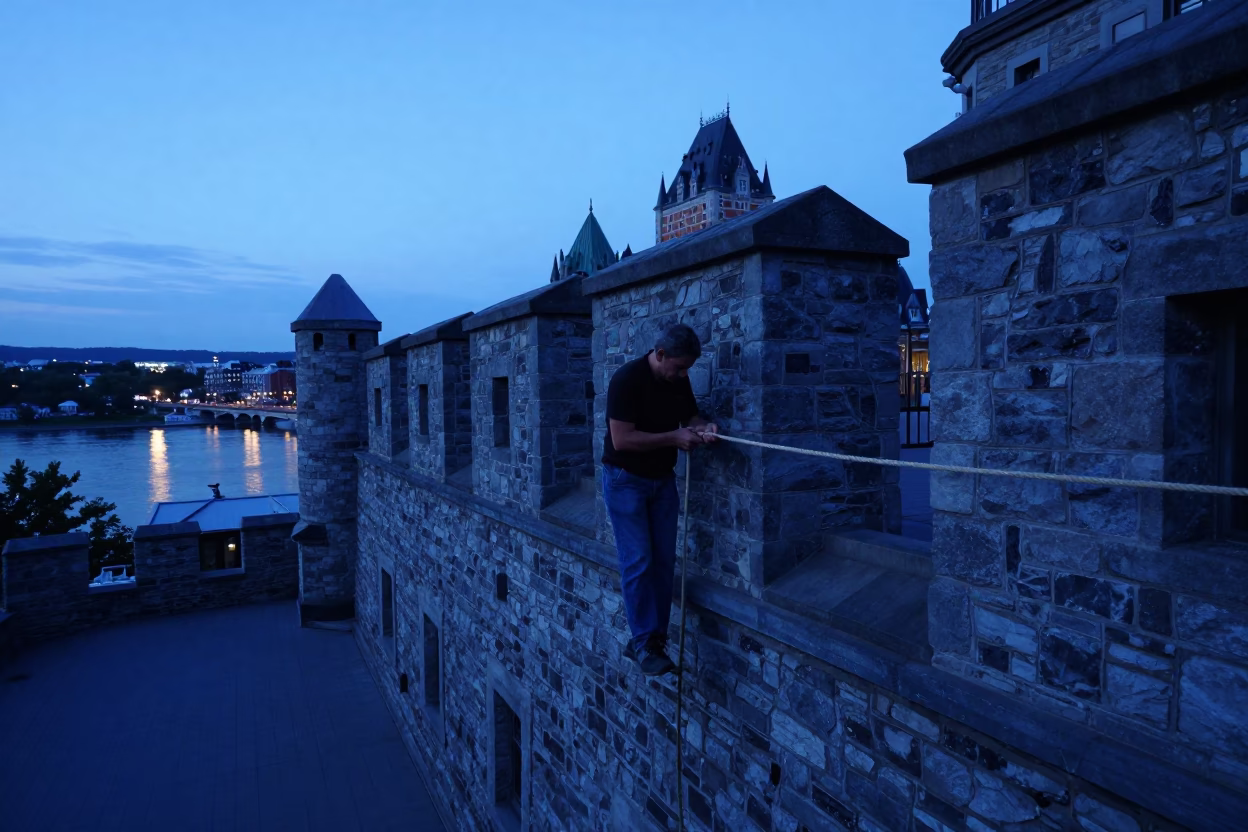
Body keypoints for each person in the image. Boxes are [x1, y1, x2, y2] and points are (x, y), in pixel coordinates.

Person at [601, 324, 717, 676]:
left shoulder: (676, 380)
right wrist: (674, 438)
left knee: (664, 562)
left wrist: (704, 426)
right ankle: (643, 643)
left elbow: (690, 416)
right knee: (638, 560)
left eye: (689, 369)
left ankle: (654, 640)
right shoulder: (626, 380)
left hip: (661, 481)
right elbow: (622, 440)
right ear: (660, 354)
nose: (684, 374)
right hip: (626, 481)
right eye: (680, 367)